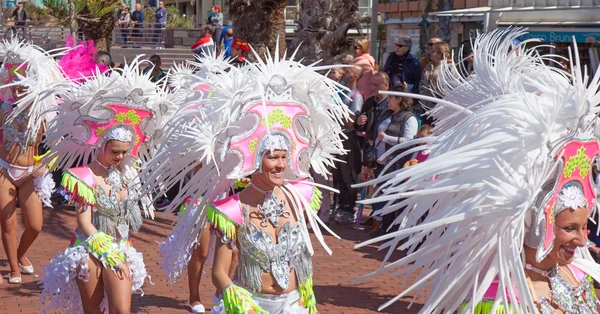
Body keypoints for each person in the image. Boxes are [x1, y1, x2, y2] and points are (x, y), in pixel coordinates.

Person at [354, 29, 600, 313]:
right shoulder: (496, 295)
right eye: (570, 228)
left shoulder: (579, 273)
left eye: (582, 227)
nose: (583, 240)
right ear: (533, 221)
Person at [140, 47, 349, 314]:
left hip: (294, 303)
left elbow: (302, 257)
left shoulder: (303, 195)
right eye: (273, 158)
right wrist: (236, 298)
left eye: (284, 157)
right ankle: (195, 296)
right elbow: (219, 272)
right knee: (204, 253)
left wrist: (305, 295)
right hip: (251, 303)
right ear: (256, 160)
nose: (281, 165)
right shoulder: (231, 210)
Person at [40, 59, 172, 313]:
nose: (120, 157)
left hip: (121, 246)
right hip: (89, 246)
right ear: (101, 146)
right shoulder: (83, 177)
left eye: (124, 152)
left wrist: (116, 247)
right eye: (114, 151)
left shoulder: (129, 176)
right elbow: (84, 222)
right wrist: (103, 248)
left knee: (121, 310)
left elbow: (131, 221)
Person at [0, 39, 61, 284]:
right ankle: (14, 268)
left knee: (35, 226)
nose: (16, 88)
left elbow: (59, 145)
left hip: (29, 173)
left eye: (22, 84)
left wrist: (45, 162)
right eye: (13, 83)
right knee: (8, 223)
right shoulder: (3, 108)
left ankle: (20, 253)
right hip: (4, 171)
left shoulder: (44, 112)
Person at [333, 65, 364, 224]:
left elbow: (352, 121)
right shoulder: (345, 93)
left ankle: (349, 208)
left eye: (349, 71)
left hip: (347, 139)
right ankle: (341, 205)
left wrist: (335, 115)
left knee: (348, 175)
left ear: (356, 76)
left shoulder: (356, 96)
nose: (345, 73)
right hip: (338, 137)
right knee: (338, 174)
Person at [419, 42, 451, 124]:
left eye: (433, 51)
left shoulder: (449, 68)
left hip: (440, 108)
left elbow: (451, 88)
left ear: (440, 54)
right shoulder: (428, 67)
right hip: (426, 107)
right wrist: (422, 97)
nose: (430, 53)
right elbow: (422, 84)